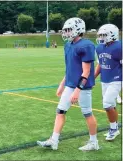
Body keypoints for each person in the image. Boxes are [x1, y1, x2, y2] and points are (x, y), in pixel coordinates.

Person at [37, 17, 99, 151]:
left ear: (79, 29)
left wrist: (77, 90)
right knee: (60, 111)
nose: (66, 32)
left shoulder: (86, 45)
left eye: (69, 30)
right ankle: (54, 140)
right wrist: (62, 83)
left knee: (87, 113)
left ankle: (94, 142)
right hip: (70, 85)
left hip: (82, 87)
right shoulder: (68, 45)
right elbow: (70, 68)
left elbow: (86, 71)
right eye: (65, 30)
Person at [95, 24, 121, 141]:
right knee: (111, 105)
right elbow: (100, 64)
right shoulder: (99, 47)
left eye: (104, 35)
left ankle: (113, 129)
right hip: (105, 79)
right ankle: (115, 128)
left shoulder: (119, 47)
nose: (101, 37)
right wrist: (92, 77)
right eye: (100, 35)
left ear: (113, 35)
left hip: (116, 79)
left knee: (107, 103)